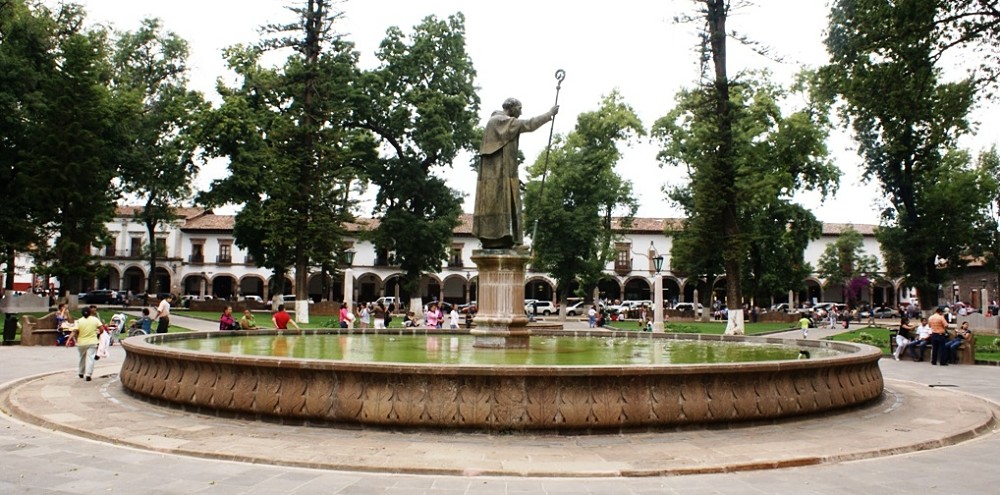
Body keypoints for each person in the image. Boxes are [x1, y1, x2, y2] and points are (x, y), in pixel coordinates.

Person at [472, 98, 559, 249]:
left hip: (504, 173)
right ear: (511, 108)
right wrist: (549, 114)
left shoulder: (500, 122)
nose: (521, 112)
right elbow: (528, 124)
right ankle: (497, 239)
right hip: (497, 175)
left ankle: (509, 240)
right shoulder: (499, 121)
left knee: (509, 202)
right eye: (519, 108)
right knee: (498, 203)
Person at [70, 307, 101, 381]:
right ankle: (88, 375)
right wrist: (99, 334)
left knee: (82, 357)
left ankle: (81, 373)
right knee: (91, 358)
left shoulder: (79, 321)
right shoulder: (95, 320)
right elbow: (101, 329)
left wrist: (69, 339)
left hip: (81, 343)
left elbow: (74, 331)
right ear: (90, 312)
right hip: (92, 342)